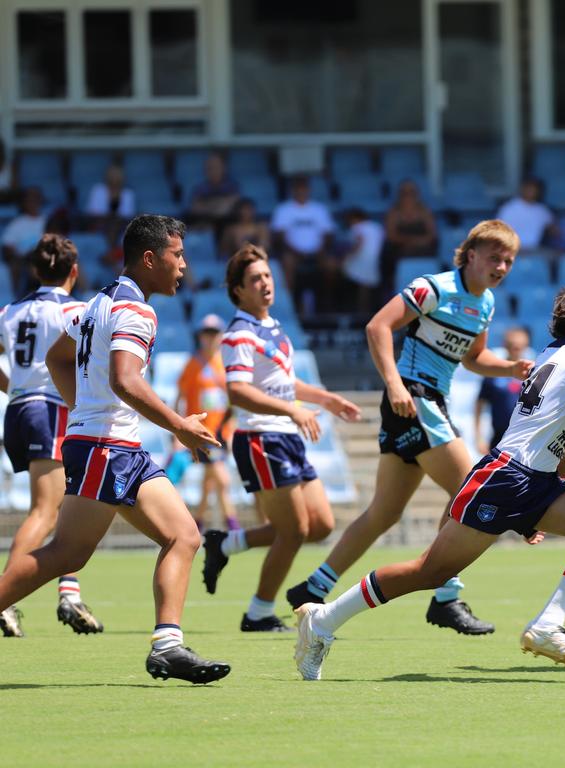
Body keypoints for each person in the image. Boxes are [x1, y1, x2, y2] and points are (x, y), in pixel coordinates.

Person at [292, 282, 565, 680]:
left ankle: (548, 625)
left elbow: (564, 434)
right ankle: (321, 621)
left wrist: (540, 509)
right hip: (508, 478)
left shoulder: (557, 352)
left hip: (535, 480)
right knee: (428, 571)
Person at [0, 214, 231, 683]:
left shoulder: (99, 302)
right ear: (150, 259)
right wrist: (178, 426)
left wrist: (83, 409)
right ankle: (167, 644)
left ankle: (167, 646)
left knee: (181, 536)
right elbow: (124, 380)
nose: (184, 265)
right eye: (177, 255)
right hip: (107, 447)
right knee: (66, 554)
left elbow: (57, 357)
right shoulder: (135, 311)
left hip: (109, 444)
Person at [284, 220, 529, 636]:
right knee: (472, 489)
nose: (502, 266)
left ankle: (312, 586)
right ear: (470, 255)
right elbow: (377, 326)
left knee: (384, 512)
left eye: (508, 261)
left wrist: (509, 367)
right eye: (494, 257)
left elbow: (473, 358)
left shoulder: (484, 303)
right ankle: (446, 598)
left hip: (424, 401)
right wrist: (395, 383)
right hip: (414, 396)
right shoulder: (432, 287)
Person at [199, 244, 361, 632]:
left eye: (267, 276)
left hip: (285, 436)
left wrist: (325, 398)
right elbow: (236, 391)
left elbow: (282, 383)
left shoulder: (272, 329)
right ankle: (258, 612)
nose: (265, 283)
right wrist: (292, 410)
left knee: (319, 525)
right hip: (260, 437)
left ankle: (225, 544)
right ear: (238, 290)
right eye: (255, 279)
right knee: (293, 530)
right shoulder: (238, 333)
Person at [0, 234, 102, 638]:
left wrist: (14, 387)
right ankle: (5, 598)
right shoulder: (77, 309)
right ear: (74, 271)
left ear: (34, 270)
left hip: (20, 409)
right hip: (51, 410)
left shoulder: (10, 310)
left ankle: (69, 591)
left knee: (68, 505)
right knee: (46, 510)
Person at [175, 313, 239, 532]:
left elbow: (234, 401)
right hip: (201, 431)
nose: (210, 338)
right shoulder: (192, 365)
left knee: (210, 481)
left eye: (214, 333)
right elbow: (179, 398)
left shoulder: (226, 365)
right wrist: (177, 428)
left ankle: (198, 523)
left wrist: (231, 428)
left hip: (221, 432)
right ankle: (234, 527)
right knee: (222, 479)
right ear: (200, 336)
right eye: (206, 333)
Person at [270, 175, 336, 315]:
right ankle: (290, 306)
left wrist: (319, 250)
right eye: (297, 188)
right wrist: (296, 252)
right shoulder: (284, 210)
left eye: (304, 188)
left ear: (309, 190)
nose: (301, 191)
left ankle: (327, 306)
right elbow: (279, 237)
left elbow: (328, 234)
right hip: (293, 253)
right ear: (292, 190)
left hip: (317, 252)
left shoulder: (319, 209)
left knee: (331, 265)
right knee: (287, 263)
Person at [474, 326, 530, 454]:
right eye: (512, 346)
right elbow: (479, 404)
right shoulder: (494, 372)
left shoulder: (533, 373)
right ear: (505, 345)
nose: (515, 350)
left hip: (524, 439)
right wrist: (479, 438)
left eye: (519, 346)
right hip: (498, 439)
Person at [340, 207, 385, 316]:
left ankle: (356, 311)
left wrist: (346, 257)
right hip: (376, 262)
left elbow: (359, 243)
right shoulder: (377, 227)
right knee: (365, 287)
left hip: (361, 261)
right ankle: (364, 312)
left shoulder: (357, 227)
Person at [2, 186, 46, 293]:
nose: (33, 202)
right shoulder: (16, 224)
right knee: (17, 265)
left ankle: (84, 293)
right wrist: (22, 256)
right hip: (24, 260)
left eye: (36, 199)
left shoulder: (48, 220)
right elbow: (7, 247)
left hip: (46, 257)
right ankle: (16, 299)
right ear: (23, 202)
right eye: (30, 199)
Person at [496, 178, 553, 252]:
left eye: (534, 189)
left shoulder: (542, 210)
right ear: (522, 189)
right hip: (511, 249)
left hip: (534, 249)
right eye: (528, 188)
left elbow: (554, 231)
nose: (531, 191)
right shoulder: (508, 208)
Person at [187, 153, 240, 230]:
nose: (213, 170)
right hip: (206, 222)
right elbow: (195, 207)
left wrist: (207, 205)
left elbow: (232, 205)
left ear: (223, 168)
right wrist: (219, 204)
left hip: (226, 223)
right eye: (210, 168)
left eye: (216, 167)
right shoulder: (200, 188)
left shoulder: (232, 186)